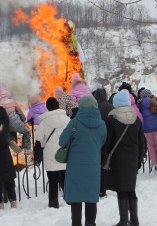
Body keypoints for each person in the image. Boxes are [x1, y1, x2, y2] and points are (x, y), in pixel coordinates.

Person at [59, 95, 107, 226]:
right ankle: (91, 223)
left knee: (76, 198)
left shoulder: (74, 122)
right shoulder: (102, 125)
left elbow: (62, 141)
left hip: (75, 167)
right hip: (93, 165)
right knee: (91, 197)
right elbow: (102, 142)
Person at [105, 90, 145, 226]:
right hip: (133, 159)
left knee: (122, 188)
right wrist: (140, 159)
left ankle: (123, 220)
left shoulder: (112, 119)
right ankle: (134, 220)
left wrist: (104, 155)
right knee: (131, 188)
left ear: (116, 103)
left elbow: (108, 142)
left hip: (118, 159)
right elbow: (142, 142)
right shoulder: (136, 119)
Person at [36, 97, 70, 208]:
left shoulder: (44, 122)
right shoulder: (67, 120)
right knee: (66, 178)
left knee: (53, 180)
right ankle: (69, 199)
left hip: (50, 155)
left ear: (47, 107)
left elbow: (38, 138)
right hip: (64, 153)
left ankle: (53, 202)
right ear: (58, 105)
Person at [0, 87, 32, 151]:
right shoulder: (13, 101)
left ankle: (11, 140)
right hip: (16, 122)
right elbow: (20, 112)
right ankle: (26, 148)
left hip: (5, 124)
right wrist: (23, 119)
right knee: (27, 132)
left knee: (9, 132)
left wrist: (0, 124)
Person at [93, 88, 114, 197]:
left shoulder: (94, 108)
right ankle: (105, 187)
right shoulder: (111, 107)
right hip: (110, 138)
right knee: (106, 164)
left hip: (97, 140)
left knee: (97, 165)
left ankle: (98, 187)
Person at [140, 94, 157, 170]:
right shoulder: (155, 104)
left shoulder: (141, 106)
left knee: (150, 145)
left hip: (146, 129)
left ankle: (154, 162)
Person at [26, 94, 48, 165]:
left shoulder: (32, 111)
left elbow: (29, 122)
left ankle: (38, 160)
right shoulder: (45, 106)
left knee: (38, 144)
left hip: (38, 130)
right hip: (47, 128)